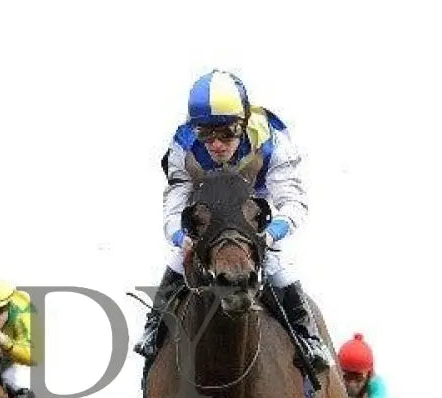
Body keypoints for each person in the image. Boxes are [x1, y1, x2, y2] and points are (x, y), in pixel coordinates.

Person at [134, 69, 332, 372]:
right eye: (206, 134)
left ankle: (308, 339)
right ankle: (153, 330)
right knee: (177, 260)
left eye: (226, 132)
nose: (215, 144)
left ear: (244, 122)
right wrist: (180, 237)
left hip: (252, 209)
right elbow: (174, 203)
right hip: (209, 215)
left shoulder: (271, 138)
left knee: (279, 266)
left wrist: (270, 234)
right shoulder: (183, 144)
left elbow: (293, 201)